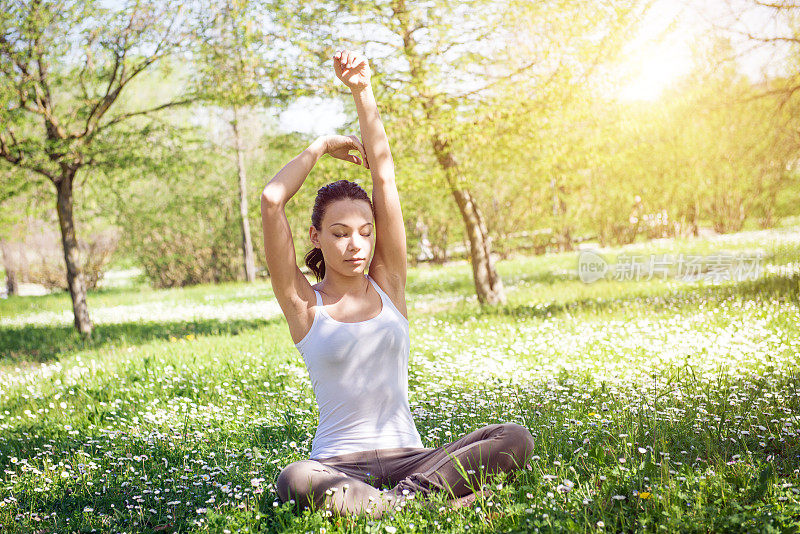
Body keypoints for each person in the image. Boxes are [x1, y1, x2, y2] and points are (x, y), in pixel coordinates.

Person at [260, 49, 535, 519]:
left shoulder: (388, 283)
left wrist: (362, 90)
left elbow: (383, 175)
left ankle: (394, 506)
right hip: (339, 467)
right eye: (340, 233)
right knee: (295, 478)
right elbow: (271, 199)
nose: (356, 245)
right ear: (316, 238)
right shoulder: (305, 306)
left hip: (414, 460)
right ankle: (432, 509)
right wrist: (324, 144)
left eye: (365, 232)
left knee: (514, 438)